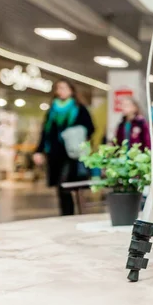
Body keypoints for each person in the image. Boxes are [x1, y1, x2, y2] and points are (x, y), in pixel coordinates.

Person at [33, 79, 95, 216]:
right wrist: (38, 151)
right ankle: (67, 213)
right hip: (55, 153)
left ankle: (76, 211)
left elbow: (90, 129)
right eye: (58, 88)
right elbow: (46, 132)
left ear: (71, 90)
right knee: (60, 186)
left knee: (69, 183)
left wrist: (73, 134)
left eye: (63, 88)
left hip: (73, 154)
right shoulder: (52, 110)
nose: (60, 91)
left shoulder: (79, 108)